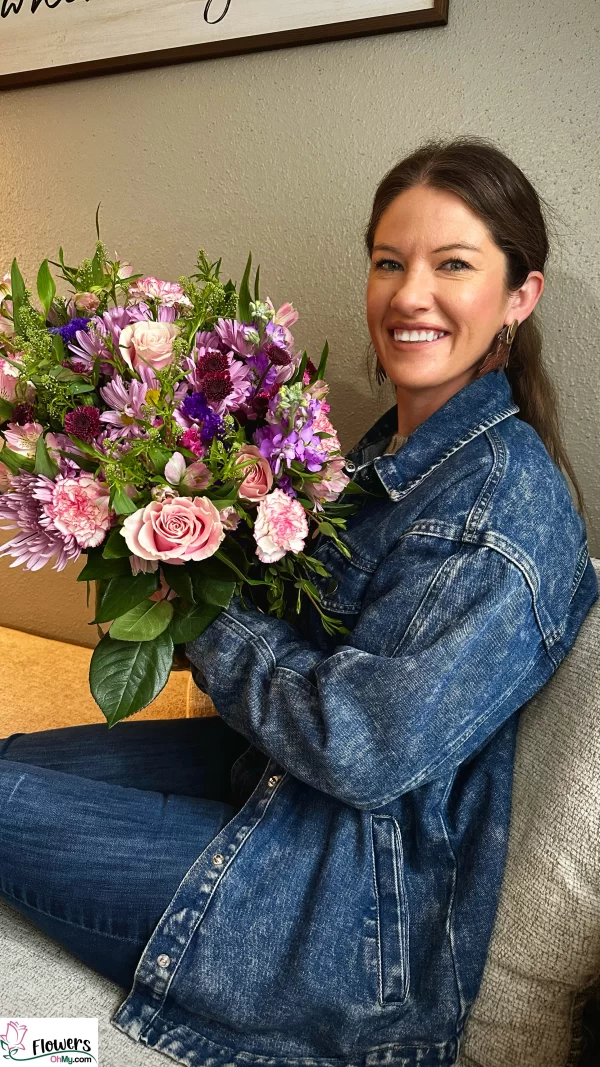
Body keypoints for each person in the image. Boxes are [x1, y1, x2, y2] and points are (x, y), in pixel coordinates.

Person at [0, 136, 597, 1067]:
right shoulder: (377, 458)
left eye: (454, 265)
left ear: (520, 296)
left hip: (332, 912)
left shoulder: (498, 511)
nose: (409, 294)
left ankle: (46, 1045)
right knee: (12, 761)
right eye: (390, 262)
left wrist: (196, 596)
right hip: (267, 789)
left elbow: (357, 746)